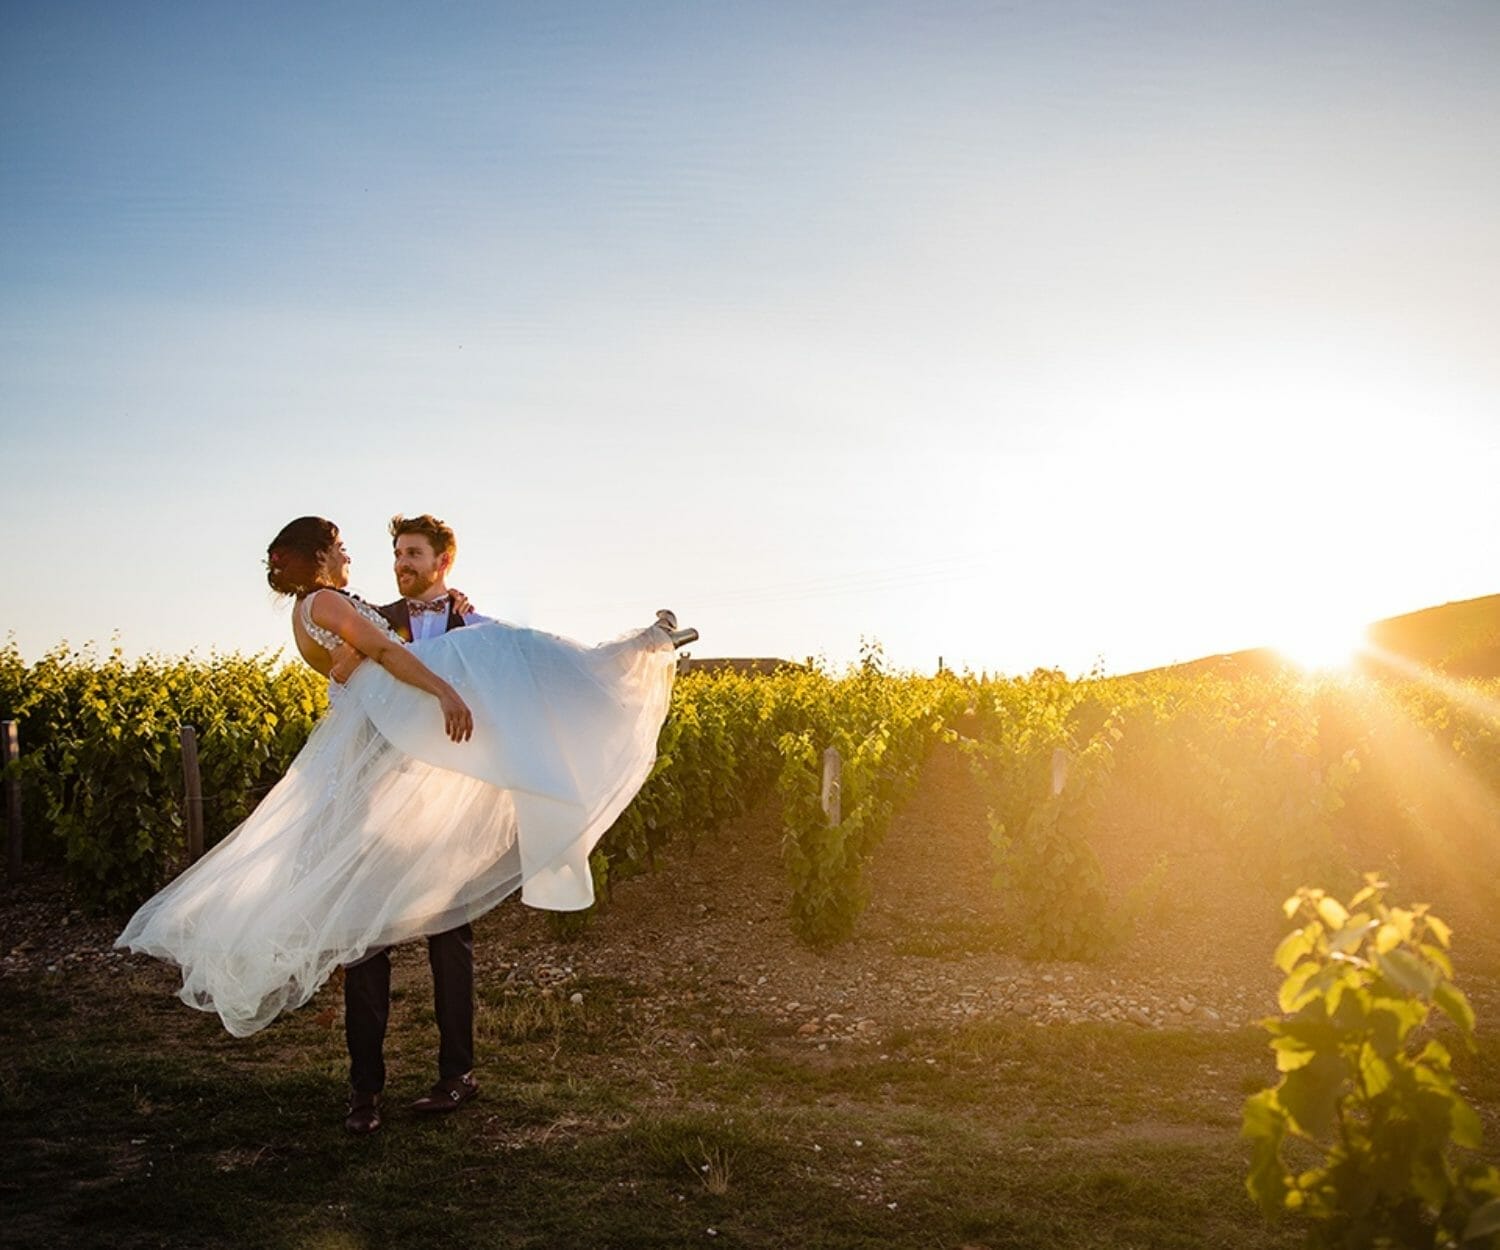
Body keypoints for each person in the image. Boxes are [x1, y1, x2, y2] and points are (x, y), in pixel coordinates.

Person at [116, 515, 683, 1137]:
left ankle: (455, 1075)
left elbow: (423, 659)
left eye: (412, 553)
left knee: (450, 934)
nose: (393, 563)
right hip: (372, 790)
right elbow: (380, 653)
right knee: (365, 941)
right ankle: (365, 1090)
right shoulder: (350, 608)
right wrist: (437, 686)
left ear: (442, 562)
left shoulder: (447, 614)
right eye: (389, 553)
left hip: (433, 798)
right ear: (321, 557)